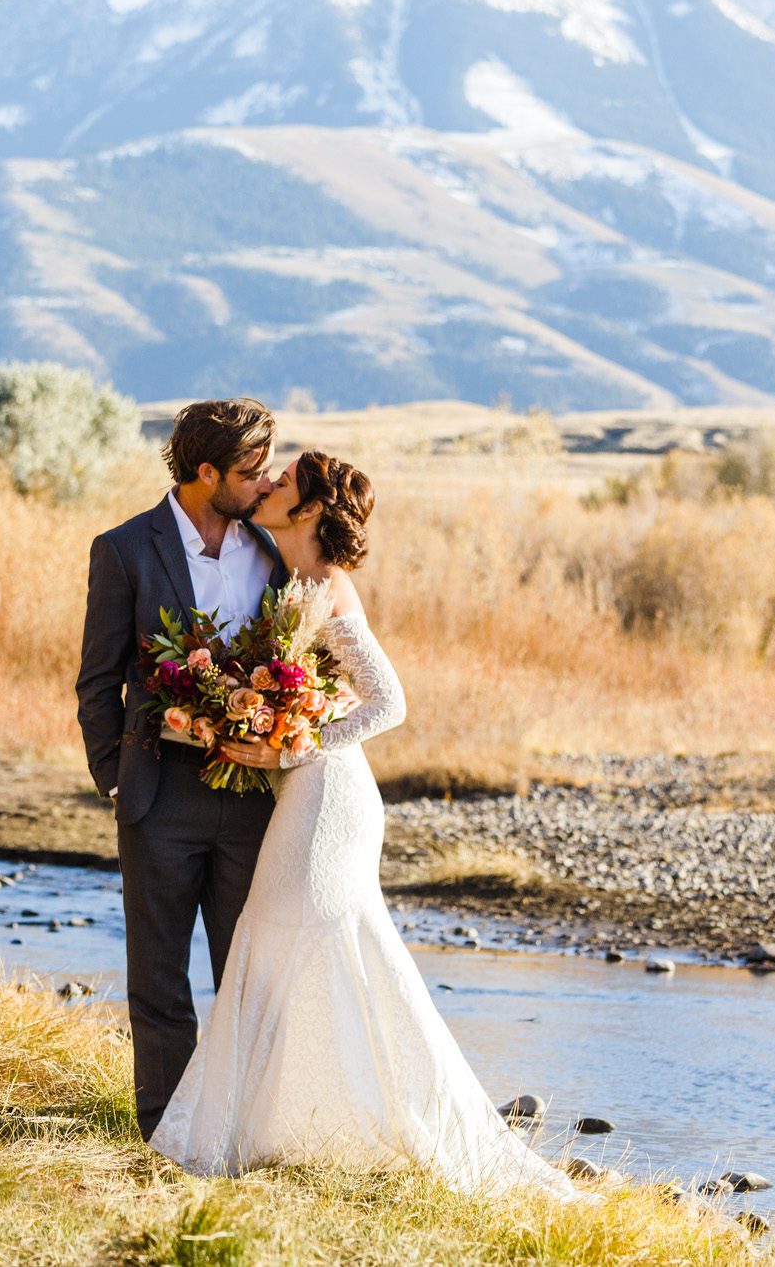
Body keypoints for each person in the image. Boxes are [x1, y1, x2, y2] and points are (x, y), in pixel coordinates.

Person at [145, 450, 590, 1201]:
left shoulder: (325, 585)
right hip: (303, 793)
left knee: (310, 938)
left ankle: (396, 1124)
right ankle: (281, 1128)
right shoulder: (289, 580)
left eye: (284, 482)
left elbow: (389, 703)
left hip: (332, 800)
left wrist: (296, 741)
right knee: (280, 941)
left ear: (312, 508)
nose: (269, 486)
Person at [75, 396, 288, 1141]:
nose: (264, 484)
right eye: (250, 471)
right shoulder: (125, 548)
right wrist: (113, 776)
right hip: (158, 797)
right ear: (205, 471)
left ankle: (240, 1130)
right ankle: (164, 1136)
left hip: (256, 799)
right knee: (160, 981)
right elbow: (97, 679)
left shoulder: (274, 551)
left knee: (247, 979)